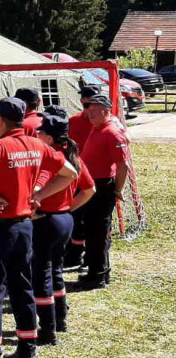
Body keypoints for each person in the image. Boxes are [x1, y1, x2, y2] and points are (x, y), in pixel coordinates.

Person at [0, 97, 77, 358]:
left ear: (1, 121)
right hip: (25, 227)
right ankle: (26, 354)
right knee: (23, 288)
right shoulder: (37, 145)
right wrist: (39, 196)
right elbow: (70, 174)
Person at [32, 114, 96, 343]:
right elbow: (89, 190)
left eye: (40, 132)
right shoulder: (74, 156)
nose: (36, 135)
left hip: (46, 221)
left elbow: (36, 189)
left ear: (49, 137)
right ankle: (61, 319)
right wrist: (68, 208)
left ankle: (47, 330)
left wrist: (36, 199)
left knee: (41, 275)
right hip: (64, 221)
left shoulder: (52, 158)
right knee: (56, 270)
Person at [78, 94, 130, 290]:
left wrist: (117, 190)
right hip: (93, 185)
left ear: (106, 111)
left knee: (98, 233)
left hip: (103, 186)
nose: (89, 113)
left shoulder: (112, 133)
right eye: (87, 110)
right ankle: (94, 270)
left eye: (93, 110)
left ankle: (98, 275)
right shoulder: (98, 128)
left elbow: (122, 165)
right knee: (91, 230)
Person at [62, 85, 102, 268]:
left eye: (94, 105)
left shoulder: (105, 124)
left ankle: (95, 254)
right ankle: (75, 252)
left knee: (96, 219)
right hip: (78, 176)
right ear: (82, 103)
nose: (90, 110)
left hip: (99, 176)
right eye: (86, 105)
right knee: (76, 214)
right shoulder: (73, 122)